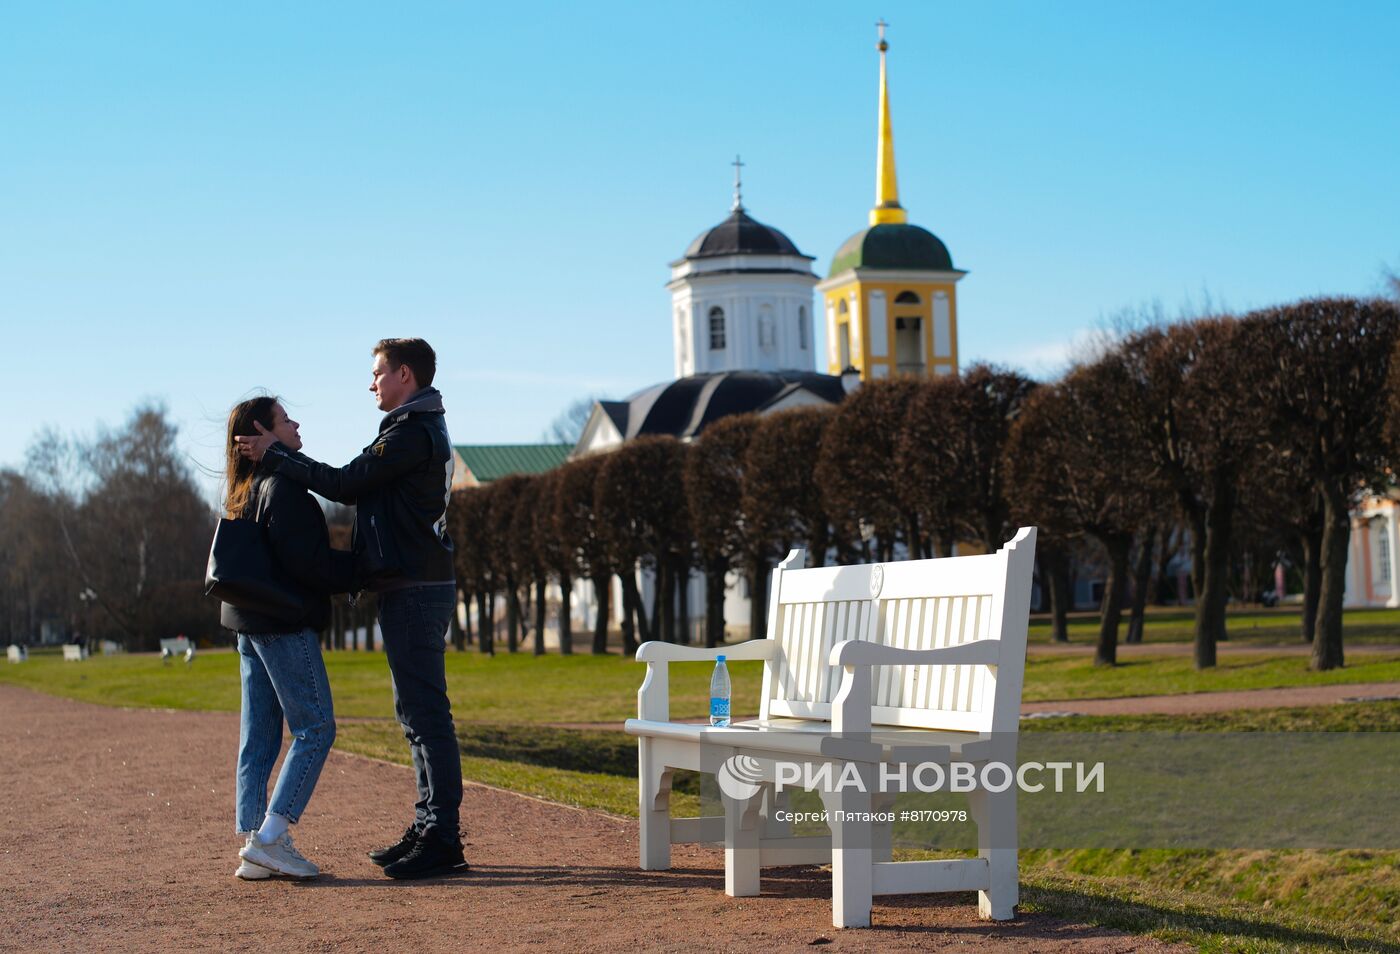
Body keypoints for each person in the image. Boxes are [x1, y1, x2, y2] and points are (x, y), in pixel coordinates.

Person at [237, 338, 466, 880]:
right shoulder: (409, 429)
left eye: (378, 373)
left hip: (414, 589)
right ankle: (430, 825)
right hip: (406, 586)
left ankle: (442, 836)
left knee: (426, 715)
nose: (372, 383)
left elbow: (343, 482)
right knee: (415, 715)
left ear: (404, 374)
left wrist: (278, 456)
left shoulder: (413, 433)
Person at [222, 395, 353, 881]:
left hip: (249, 626)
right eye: (285, 419)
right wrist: (367, 570)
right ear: (263, 432)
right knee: (316, 728)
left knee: (257, 738)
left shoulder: (245, 488)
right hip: (281, 623)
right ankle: (271, 839)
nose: (297, 423)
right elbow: (310, 565)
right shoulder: (284, 485)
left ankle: (254, 843)